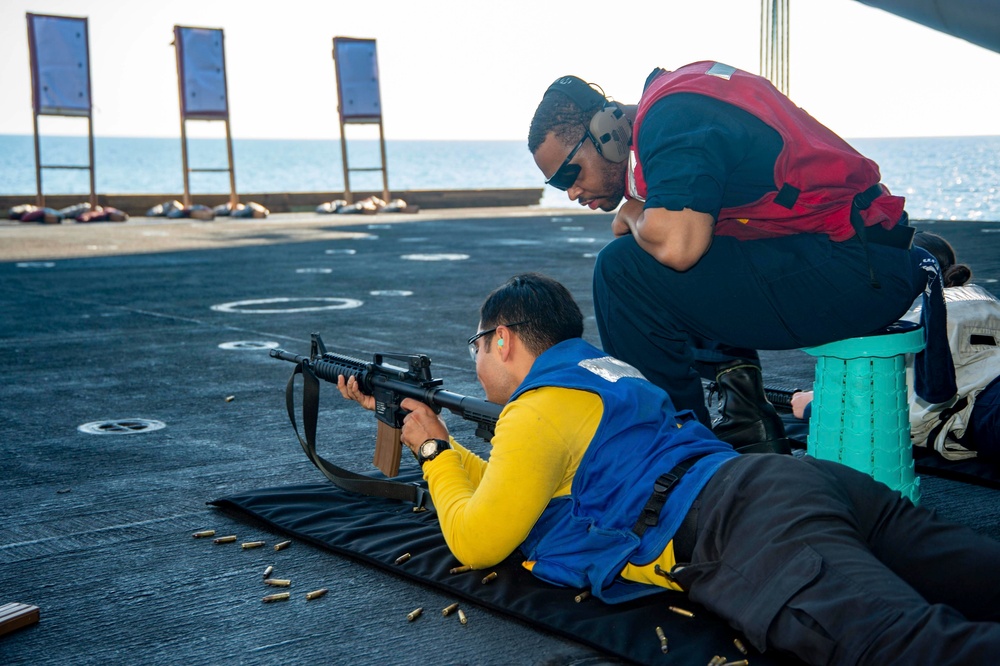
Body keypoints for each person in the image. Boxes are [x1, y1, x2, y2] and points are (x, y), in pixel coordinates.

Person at [338, 272, 1000, 665]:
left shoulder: (535, 412)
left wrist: (428, 453)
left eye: (476, 345)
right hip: (797, 484)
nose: (476, 357)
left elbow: (479, 541)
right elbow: (518, 487)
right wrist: (436, 436)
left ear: (503, 340)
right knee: (979, 574)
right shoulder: (602, 375)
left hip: (739, 527)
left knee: (914, 650)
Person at [527, 62, 945, 455]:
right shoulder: (681, 101)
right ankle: (745, 415)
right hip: (858, 257)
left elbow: (678, 246)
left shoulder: (673, 119)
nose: (572, 193)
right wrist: (643, 211)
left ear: (606, 133)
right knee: (678, 246)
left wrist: (637, 212)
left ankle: (671, 456)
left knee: (623, 271)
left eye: (570, 174)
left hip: (858, 272)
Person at [791, 230, 1000, 462]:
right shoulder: (985, 301)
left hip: (985, 409)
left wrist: (816, 406)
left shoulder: (909, 322)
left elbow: (893, 417)